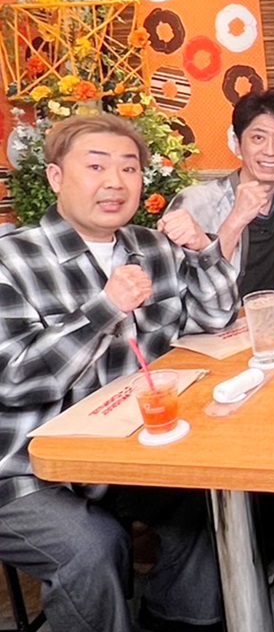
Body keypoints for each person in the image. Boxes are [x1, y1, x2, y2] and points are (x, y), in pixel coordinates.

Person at [0, 114, 238, 632]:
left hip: (125, 452)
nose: (115, 182)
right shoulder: (11, 259)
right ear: (56, 177)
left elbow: (217, 318)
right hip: (25, 468)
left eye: (129, 168)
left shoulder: (152, 246)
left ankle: (179, 619)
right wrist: (103, 309)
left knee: (209, 498)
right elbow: (14, 381)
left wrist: (203, 249)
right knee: (89, 548)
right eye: (96, 166)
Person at [170, 88, 274, 293]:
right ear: (237, 144)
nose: (270, 151)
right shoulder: (195, 203)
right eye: (258, 138)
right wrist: (236, 219)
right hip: (215, 313)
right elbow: (179, 290)